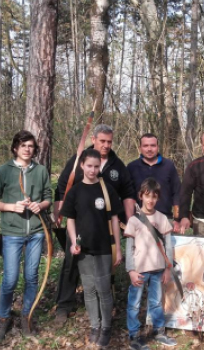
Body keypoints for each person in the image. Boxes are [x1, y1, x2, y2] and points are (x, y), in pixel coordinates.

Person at [53, 124, 135, 324]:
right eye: (102, 141)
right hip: (79, 224)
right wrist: (59, 216)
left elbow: (128, 194)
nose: (106, 145)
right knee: (72, 263)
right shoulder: (78, 161)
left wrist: (130, 222)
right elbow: (63, 187)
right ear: (93, 139)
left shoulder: (117, 166)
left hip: (106, 226)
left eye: (109, 141)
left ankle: (107, 303)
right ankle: (64, 305)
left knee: (107, 266)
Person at [0, 130, 52, 341]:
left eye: (31, 146)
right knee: (10, 279)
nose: (27, 149)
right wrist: (11, 207)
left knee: (31, 277)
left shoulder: (41, 171)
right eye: (23, 145)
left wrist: (39, 205)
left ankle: (27, 315)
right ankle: (3, 318)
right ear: (15, 147)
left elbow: (48, 197)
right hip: (12, 233)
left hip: (35, 232)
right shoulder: (3, 171)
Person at [60, 149, 122, 347]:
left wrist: (118, 249)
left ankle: (106, 326)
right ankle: (95, 325)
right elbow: (70, 220)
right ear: (82, 166)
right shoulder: (75, 191)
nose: (93, 170)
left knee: (104, 289)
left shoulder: (106, 190)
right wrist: (73, 242)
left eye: (96, 167)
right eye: (89, 166)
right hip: (83, 249)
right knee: (89, 289)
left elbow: (114, 220)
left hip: (104, 248)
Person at [124, 178, 177, 349]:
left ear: (158, 198)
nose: (150, 200)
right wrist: (131, 270)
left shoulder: (162, 218)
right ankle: (134, 336)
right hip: (139, 271)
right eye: (147, 196)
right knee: (134, 304)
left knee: (156, 302)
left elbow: (168, 245)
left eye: (154, 197)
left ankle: (158, 331)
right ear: (141, 196)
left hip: (158, 270)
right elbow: (129, 247)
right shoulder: (134, 220)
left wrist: (168, 269)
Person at [127, 133, 181, 232]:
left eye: (152, 145)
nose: (149, 149)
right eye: (145, 146)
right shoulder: (132, 167)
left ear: (157, 147)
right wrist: (129, 219)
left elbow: (177, 192)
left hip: (165, 219)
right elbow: (128, 197)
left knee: (166, 247)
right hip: (140, 219)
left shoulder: (168, 166)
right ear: (140, 148)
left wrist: (177, 219)